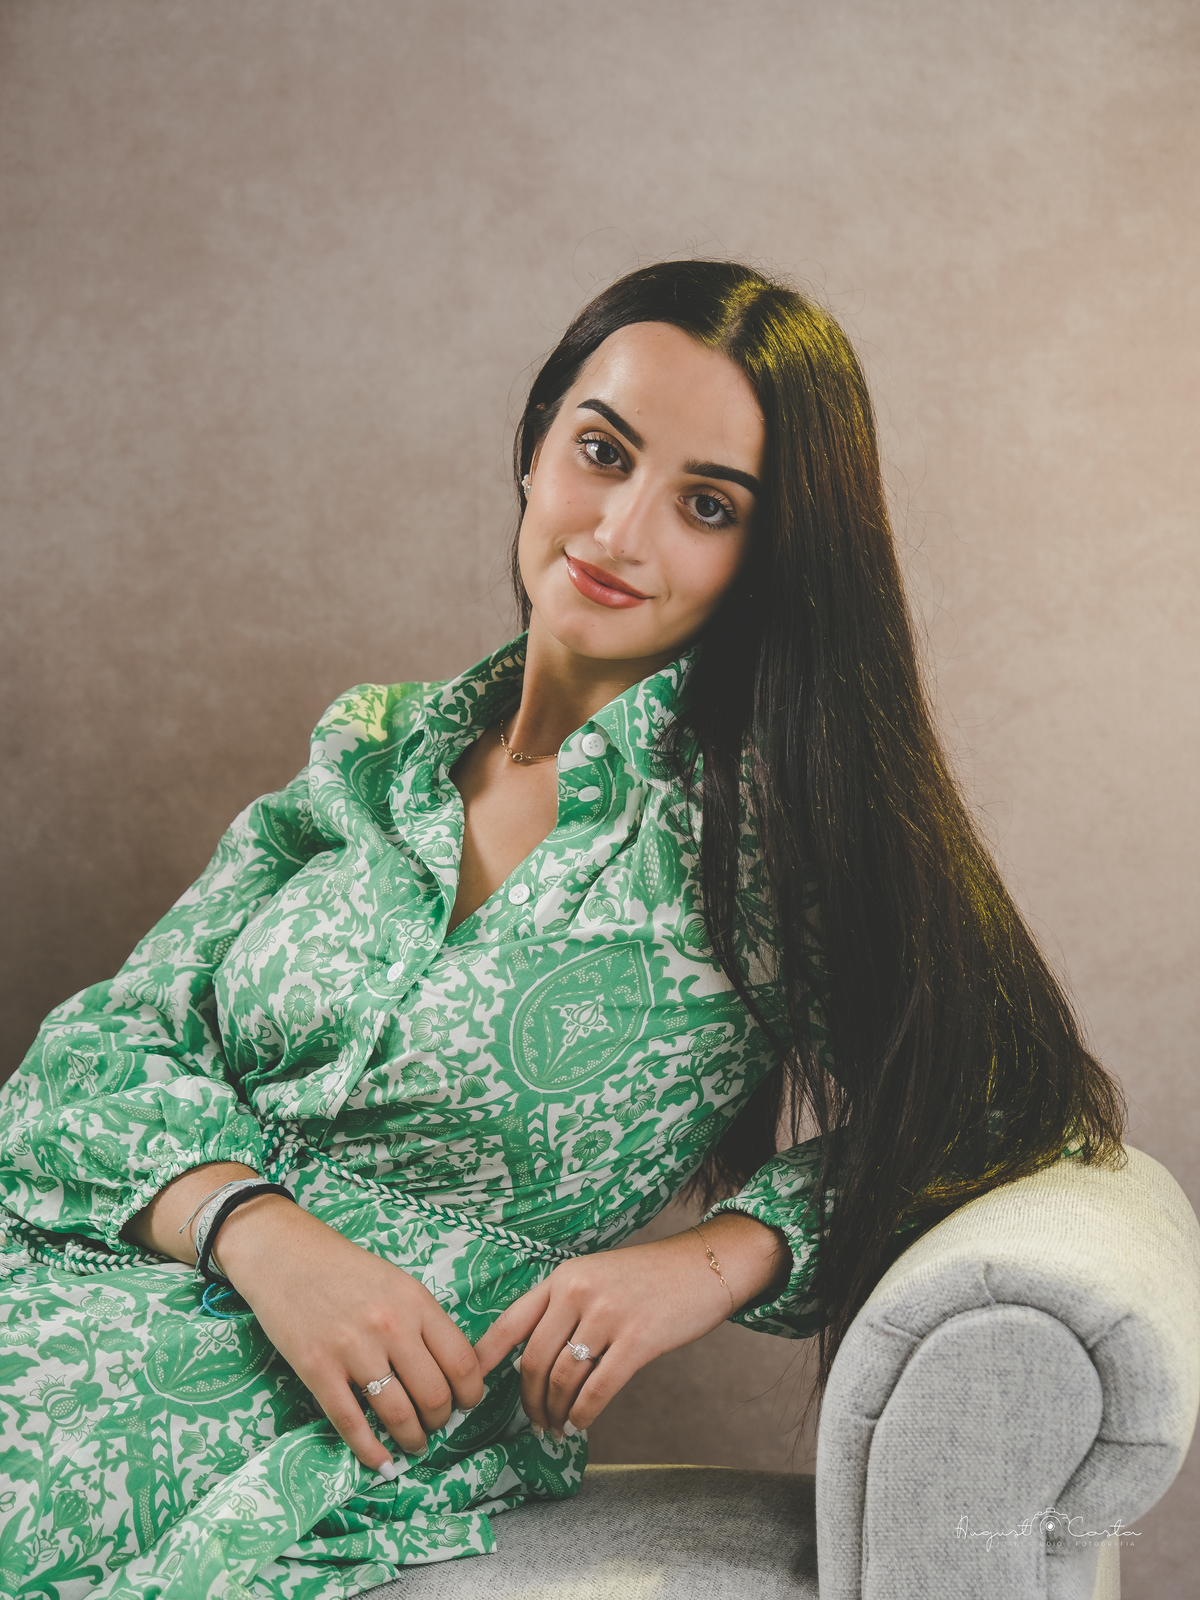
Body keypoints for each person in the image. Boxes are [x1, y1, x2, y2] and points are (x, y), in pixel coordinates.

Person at [0, 260, 1124, 1599]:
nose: (621, 529)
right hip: (70, 1274)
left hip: (280, 1424)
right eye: (602, 451)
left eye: (707, 505)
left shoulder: (766, 842)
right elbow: (91, 1058)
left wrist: (713, 1261)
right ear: (535, 447)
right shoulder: (376, 754)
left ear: (769, 558)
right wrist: (257, 1230)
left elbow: (1012, 1100)